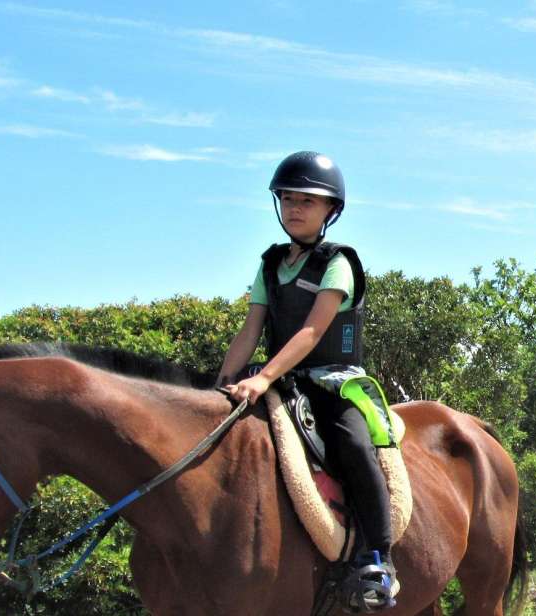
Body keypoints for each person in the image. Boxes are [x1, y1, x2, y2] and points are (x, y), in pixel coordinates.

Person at [214, 151, 398, 609]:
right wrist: (225, 379)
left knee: (353, 442)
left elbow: (312, 331)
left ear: (329, 210)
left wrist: (264, 376)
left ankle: (380, 557)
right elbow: (251, 327)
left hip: (332, 379)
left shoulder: (338, 263)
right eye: (288, 199)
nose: (295, 208)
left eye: (308, 201)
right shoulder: (270, 264)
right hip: (281, 378)